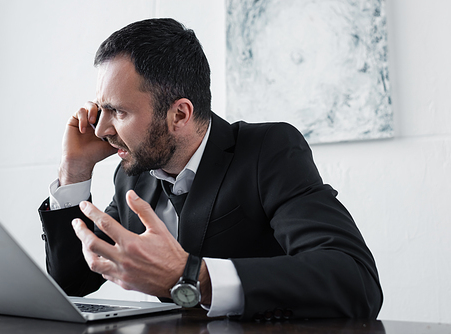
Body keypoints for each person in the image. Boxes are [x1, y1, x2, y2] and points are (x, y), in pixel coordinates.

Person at [38, 18, 383, 321]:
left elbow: (356, 282)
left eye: (119, 112)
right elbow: (74, 282)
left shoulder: (269, 151)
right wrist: (75, 169)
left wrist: (195, 276)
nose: (100, 130)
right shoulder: (132, 175)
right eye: (102, 109)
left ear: (180, 114)